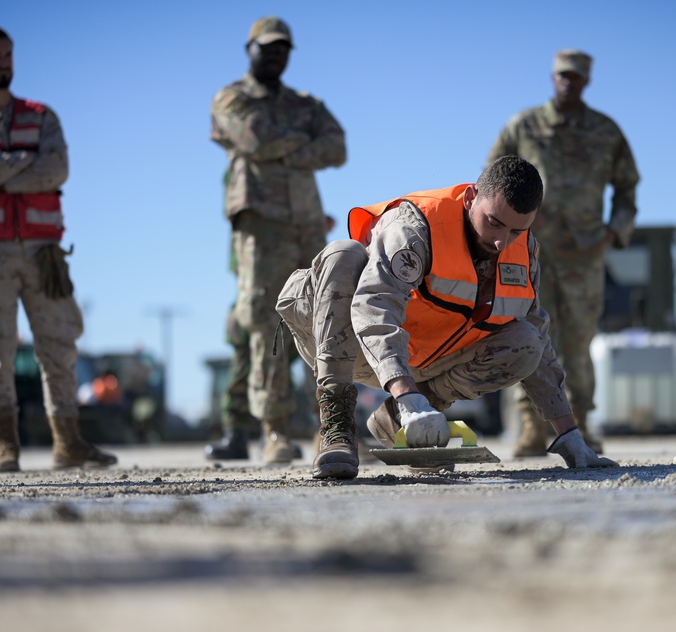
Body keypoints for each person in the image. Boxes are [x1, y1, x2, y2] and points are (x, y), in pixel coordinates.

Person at [276, 155, 619, 480]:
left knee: (526, 341)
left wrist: (569, 434)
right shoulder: (416, 226)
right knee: (343, 255)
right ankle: (336, 427)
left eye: (516, 230)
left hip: (425, 359)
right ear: (471, 197)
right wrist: (407, 394)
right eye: (494, 222)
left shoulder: (523, 252)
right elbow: (374, 307)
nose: (502, 241)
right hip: (351, 343)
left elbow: (540, 346)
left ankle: (400, 423)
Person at [0, 26, 117, 472]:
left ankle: (68, 443)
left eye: (8, 54)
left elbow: (56, 170)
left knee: (59, 345)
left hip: (43, 250)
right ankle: (6, 447)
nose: (3, 62)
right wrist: (23, 162)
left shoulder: (42, 117)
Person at [486, 50, 640, 457]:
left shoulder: (606, 132)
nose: (568, 83)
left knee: (577, 343)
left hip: (583, 258)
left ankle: (581, 426)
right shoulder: (524, 126)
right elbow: (491, 179)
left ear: (586, 81)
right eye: (562, 76)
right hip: (526, 252)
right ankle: (530, 429)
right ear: (552, 78)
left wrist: (612, 233)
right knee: (523, 333)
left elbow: (628, 189)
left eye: (575, 77)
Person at [209, 16, 346, 464]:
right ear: (249, 49)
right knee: (266, 326)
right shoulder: (232, 97)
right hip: (261, 227)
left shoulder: (306, 103)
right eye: (267, 47)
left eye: (283, 48)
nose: (275, 54)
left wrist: (282, 144)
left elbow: (337, 147)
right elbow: (251, 139)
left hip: (307, 224)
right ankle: (275, 431)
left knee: (321, 319)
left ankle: (329, 427)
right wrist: (301, 143)